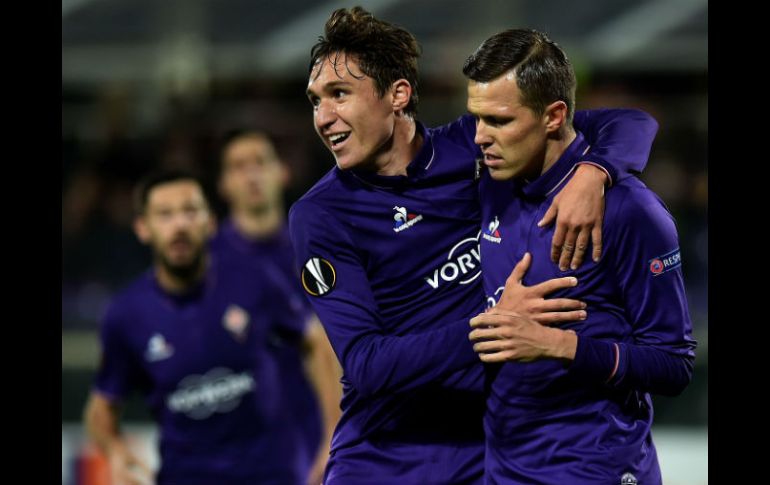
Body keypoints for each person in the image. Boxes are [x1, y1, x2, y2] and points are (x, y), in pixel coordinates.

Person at [289, 7, 659, 484]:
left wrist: (594, 172)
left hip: (488, 452)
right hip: (387, 458)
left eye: (339, 94)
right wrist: (496, 327)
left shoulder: (475, 146)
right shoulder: (321, 215)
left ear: (397, 94)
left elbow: (631, 124)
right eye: (315, 101)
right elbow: (366, 366)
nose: (324, 117)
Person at [464, 29, 697, 484]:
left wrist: (561, 346)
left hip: (595, 468)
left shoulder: (632, 212)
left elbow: (674, 364)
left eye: (499, 121)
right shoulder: (491, 183)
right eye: (476, 119)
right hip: (502, 468)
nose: (479, 138)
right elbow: (630, 122)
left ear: (553, 116)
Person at [83, 170, 336, 485]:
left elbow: (316, 343)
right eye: (165, 215)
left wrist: (333, 438)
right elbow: (101, 409)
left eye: (190, 211)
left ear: (210, 223)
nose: (179, 226)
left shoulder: (254, 280)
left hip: (272, 475)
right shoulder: (126, 315)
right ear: (143, 228)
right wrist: (113, 448)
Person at [211, 129, 342, 484]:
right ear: (223, 184)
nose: (251, 174)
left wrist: (334, 435)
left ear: (282, 172)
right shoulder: (208, 263)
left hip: (309, 434)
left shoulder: (317, 248)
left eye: (260, 162)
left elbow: (333, 343)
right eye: (239, 166)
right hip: (232, 444)